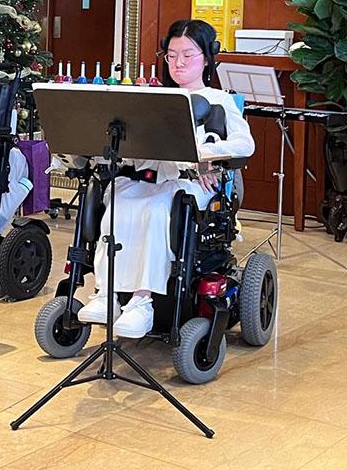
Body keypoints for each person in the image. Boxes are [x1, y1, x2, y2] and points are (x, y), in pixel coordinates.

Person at [76, 19, 255, 337]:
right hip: (147, 179)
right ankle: (106, 294)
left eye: (187, 55)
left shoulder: (219, 99)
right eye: (171, 56)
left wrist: (204, 155)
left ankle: (142, 301)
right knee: (118, 201)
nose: (178, 63)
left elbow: (245, 144)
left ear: (207, 57)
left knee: (158, 207)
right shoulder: (153, 97)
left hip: (190, 185)